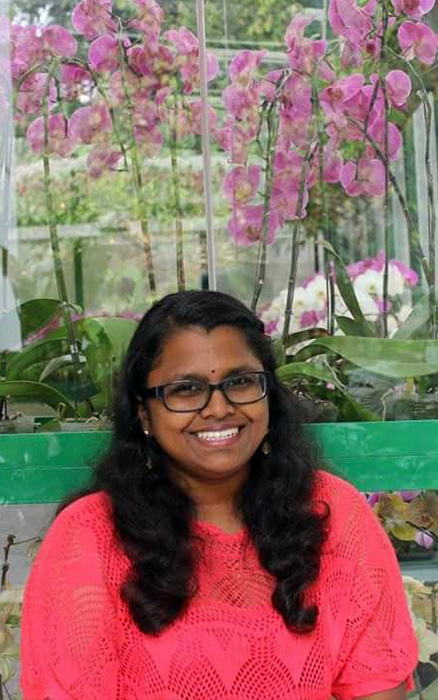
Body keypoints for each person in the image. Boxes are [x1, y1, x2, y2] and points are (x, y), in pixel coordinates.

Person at [20, 290, 417, 700]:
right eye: (186, 389)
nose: (218, 408)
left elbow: (378, 687)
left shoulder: (332, 513)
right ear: (144, 413)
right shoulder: (90, 537)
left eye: (240, 382)